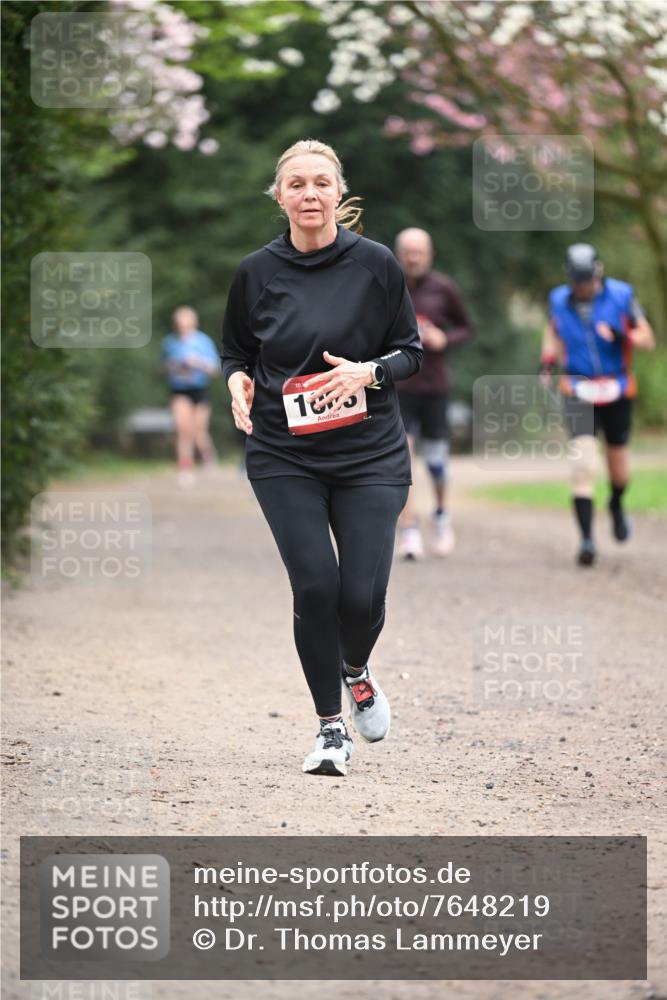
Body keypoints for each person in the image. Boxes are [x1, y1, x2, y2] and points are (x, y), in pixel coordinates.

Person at [221, 139, 422, 777]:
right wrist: (236, 380)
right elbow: (235, 351)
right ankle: (330, 728)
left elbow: (410, 351)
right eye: (297, 184)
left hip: (370, 455)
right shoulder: (255, 272)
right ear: (280, 197)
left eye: (321, 183)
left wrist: (368, 372)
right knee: (315, 585)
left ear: (339, 193)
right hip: (285, 453)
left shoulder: (376, 264)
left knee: (361, 597)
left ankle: (355, 671)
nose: (310, 194)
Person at [540, 243, 655, 566]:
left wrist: (622, 337)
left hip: (617, 387)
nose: (583, 288)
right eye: (577, 282)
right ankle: (587, 540)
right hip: (578, 388)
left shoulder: (622, 295)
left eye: (588, 281)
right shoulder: (558, 299)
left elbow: (648, 339)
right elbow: (552, 332)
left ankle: (616, 503)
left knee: (619, 471)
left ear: (598, 273)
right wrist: (547, 362)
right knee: (583, 464)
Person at [393, 228, 474, 559]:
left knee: (437, 462)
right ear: (399, 255)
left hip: (434, 388)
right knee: (402, 459)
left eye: (420, 252)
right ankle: (409, 529)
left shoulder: (444, 288)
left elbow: (467, 328)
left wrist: (445, 339)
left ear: (430, 255)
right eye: (408, 252)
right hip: (399, 387)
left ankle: (441, 514)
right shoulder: (388, 286)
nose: (414, 258)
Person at [161, 306, 221, 487]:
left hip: (200, 389)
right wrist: (175, 366)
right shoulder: (170, 342)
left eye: (186, 324)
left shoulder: (203, 341)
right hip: (179, 390)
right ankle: (185, 468)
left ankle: (209, 457)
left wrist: (199, 364)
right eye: (180, 324)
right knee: (183, 429)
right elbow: (162, 367)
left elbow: (215, 370)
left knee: (199, 431)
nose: (183, 327)